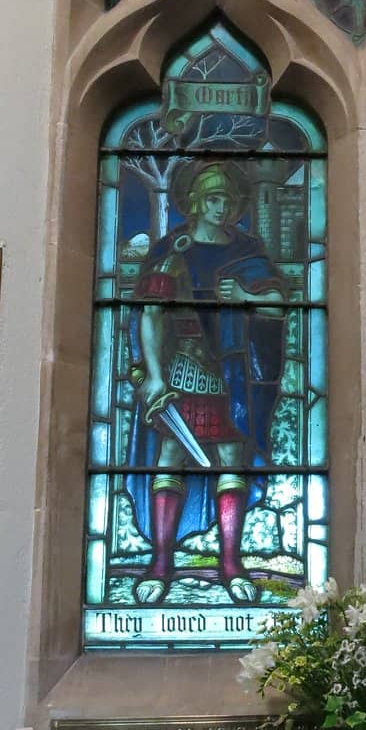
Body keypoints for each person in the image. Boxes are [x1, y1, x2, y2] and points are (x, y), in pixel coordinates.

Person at [126, 162, 285, 606]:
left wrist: (246, 298)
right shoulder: (172, 251)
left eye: (228, 202)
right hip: (184, 366)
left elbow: (278, 305)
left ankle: (231, 564)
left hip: (233, 374)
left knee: (232, 458)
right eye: (213, 200)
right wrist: (154, 375)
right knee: (170, 455)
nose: (222, 209)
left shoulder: (247, 251)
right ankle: (161, 563)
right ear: (195, 203)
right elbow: (152, 313)